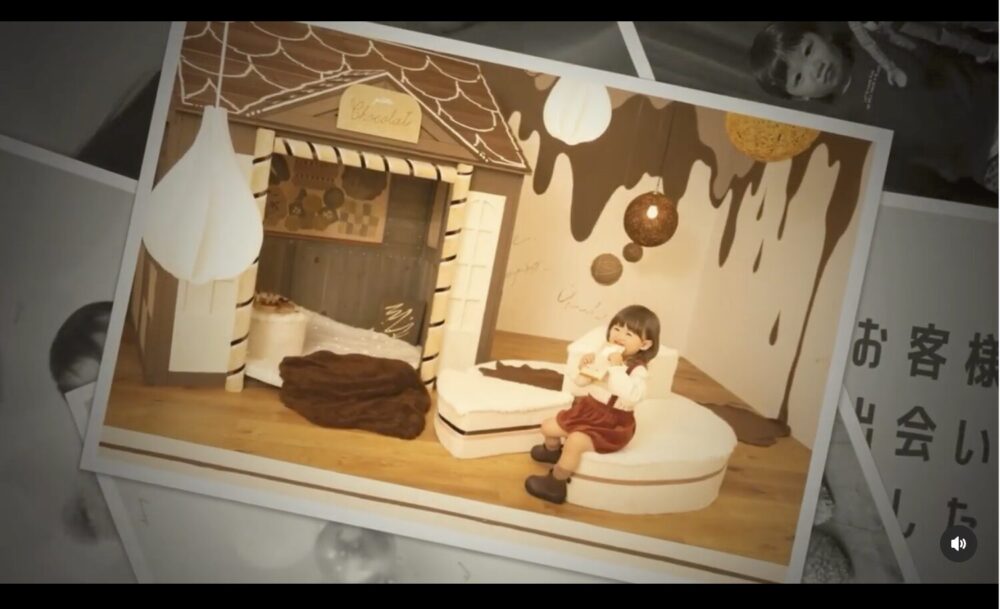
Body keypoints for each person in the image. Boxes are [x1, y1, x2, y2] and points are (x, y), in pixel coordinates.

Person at [749, 22, 998, 202]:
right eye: (798, 77)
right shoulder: (848, 132)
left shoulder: (869, 33)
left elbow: (937, 45)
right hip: (984, 160)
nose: (815, 68)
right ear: (800, 97)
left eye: (808, 50)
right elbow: (912, 178)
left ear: (822, 34)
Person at [524, 305, 660, 504]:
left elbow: (631, 396)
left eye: (629, 333)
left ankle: (556, 483)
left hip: (611, 423)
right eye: (616, 329)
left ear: (645, 345)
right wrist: (584, 367)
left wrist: (616, 367)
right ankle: (552, 452)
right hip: (588, 410)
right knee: (547, 426)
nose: (620, 336)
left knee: (575, 441)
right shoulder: (603, 354)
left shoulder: (637, 371)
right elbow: (581, 383)